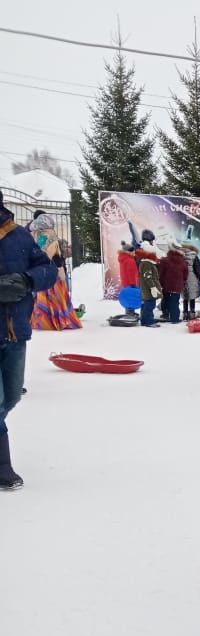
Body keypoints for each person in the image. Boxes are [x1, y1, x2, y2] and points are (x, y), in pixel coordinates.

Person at [0, 191, 58, 490]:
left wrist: (26, 280)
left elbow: (49, 271)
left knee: (11, 397)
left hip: (15, 333)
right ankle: (3, 468)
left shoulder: (19, 236)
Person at [28, 214, 81, 331]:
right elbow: (48, 254)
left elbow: (42, 254)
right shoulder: (49, 235)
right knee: (56, 297)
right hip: (53, 271)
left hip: (44, 271)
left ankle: (45, 320)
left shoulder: (38, 235)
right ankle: (59, 319)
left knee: (46, 296)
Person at [158, 243, 189, 324]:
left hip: (166, 285)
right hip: (177, 285)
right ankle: (174, 318)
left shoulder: (164, 260)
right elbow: (185, 274)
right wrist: (183, 281)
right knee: (175, 302)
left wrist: (160, 283)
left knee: (165, 299)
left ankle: (165, 314)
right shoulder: (183, 261)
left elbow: (160, 273)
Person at [137, 239, 162, 327]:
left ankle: (145, 320)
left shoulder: (146, 262)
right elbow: (148, 277)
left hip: (147, 288)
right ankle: (148, 321)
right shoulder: (147, 263)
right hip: (148, 289)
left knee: (147, 304)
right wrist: (153, 287)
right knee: (149, 305)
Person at [181, 243, 200, 320]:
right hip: (192, 278)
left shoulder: (181, 256)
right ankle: (192, 313)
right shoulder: (194, 257)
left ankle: (185, 313)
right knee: (192, 296)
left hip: (183, 278)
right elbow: (198, 269)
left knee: (185, 297)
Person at [118, 241, 140, 315]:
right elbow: (131, 273)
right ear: (128, 252)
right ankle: (130, 313)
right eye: (132, 251)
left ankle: (129, 312)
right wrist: (134, 284)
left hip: (125, 282)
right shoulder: (130, 260)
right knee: (131, 297)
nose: (134, 252)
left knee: (128, 297)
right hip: (131, 282)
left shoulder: (123, 259)